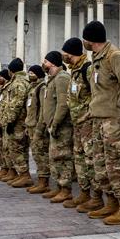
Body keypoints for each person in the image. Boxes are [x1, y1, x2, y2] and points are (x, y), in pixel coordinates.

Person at [83, 20, 120, 222]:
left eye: (85, 38)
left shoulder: (116, 57)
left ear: (91, 39)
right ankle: (111, 202)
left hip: (115, 120)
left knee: (117, 165)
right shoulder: (98, 58)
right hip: (99, 119)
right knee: (102, 165)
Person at [63, 37, 97, 209]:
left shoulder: (87, 70)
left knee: (91, 160)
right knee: (80, 159)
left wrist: (87, 115)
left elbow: (96, 95)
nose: (64, 55)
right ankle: (84, 193)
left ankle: (96, 197)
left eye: (65, 52)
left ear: (72, 53)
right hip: (77, 123)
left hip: (87, 123)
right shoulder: (74, 72)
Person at [42, 51, 74, 203]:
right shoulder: (52, 79)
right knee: (55, 158)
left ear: (53, 63)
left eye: (46, 61)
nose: (44, 64)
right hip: (53, 127)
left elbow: (63, 104)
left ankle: (66, 189)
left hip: (62, 127)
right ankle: (59, 186)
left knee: (63, 157)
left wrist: (55, 123)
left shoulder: (62, 78)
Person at [0, 58, 33, 186]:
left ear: (11, 70)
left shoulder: (18, 83)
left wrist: (10, 122)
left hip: (18, 122)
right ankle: (22, 174)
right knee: (21, 149)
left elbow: (16, 104)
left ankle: (25, 175)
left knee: (16, 149)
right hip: (21, 120)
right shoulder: (22, 81)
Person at [24, 64, 50, 191]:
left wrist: (40, 127)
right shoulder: (32, 88)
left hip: (37, 127)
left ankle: (43, 182)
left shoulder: (42, 87)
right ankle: (41, 180)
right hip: (31, 126)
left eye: (32, 73)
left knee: (41, 155)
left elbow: (43, 110)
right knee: (36, 154)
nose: (30, 75)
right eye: (29, 73)